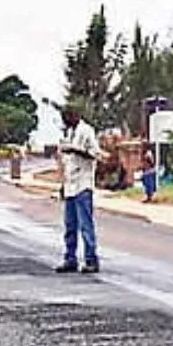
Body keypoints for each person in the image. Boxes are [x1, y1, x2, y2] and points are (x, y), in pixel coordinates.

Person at [56, 108, 102, 274]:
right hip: (70, 185)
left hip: (83, 184)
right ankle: (70, 259)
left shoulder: (87, 131)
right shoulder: (69, 133)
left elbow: (95, 154)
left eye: (67, 117)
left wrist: (75, 150)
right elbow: (66, 163)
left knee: (85, 225)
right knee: (70, 225)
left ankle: (91, 259)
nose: (65, 121)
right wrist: (63, 185)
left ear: (76, 116)